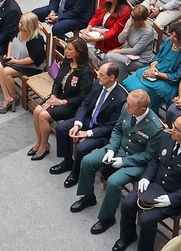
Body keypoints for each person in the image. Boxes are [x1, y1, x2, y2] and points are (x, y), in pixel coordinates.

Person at [112, 114, 181, 251]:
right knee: (127, 204)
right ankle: (127, 236)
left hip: (174, 195)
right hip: (154, 183)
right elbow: (155, 159)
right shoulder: (166, 136)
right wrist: (146, 177)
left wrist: (171, 199)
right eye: (173, 126)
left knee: (147, 219)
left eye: (177, 129)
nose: (172, 130)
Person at [70, 89, 163, 232]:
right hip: (119, 148)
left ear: (142, 109)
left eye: (130, 105)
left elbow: (149, 156)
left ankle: (107, 218)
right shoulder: (126, 108)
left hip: (136, 161)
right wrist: (112, 148)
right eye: (127, 103)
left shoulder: (154, 127)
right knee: (88, 161)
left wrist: (123, 161)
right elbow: (118, 129)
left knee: (114, 182)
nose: (126, 106)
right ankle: (88, 196)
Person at [49, 63, 127, 180]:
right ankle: (68, 161)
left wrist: (87, 134)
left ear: (112, 77)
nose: (97, 76)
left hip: (101, 130)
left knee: (81, 148)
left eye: (101, 74)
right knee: (61, 128)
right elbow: (85, 104)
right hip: (88, 120)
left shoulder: (121, 99)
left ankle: (76, 174)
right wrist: (77, 124)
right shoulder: (98, 84)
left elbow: (111, 127)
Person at [29, 37, 95, 160]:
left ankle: (44, 145)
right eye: (66, 48)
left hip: (72, 105)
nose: (66, 51)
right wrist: (53, 96)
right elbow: (57, 81)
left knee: (43, 115)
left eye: (69, 49)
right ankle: (39, 141)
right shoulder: (66, 61)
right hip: (59, 97)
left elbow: (83, 97)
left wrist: (61, 102)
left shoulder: (86, 72)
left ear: (79, 52)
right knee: (37, 110)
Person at [0, 14, 48, 114]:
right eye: (20, 22)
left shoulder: (36, 39)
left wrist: (15, 61)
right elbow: (11, 42)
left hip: (32, 66)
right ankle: (7, 97)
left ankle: (14, 96)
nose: (20, 25)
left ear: (30, 26)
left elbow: (33, 59)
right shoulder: (18, 30)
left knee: (6, 72)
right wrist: (9, 55)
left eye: (23, 24)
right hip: (15, 59)